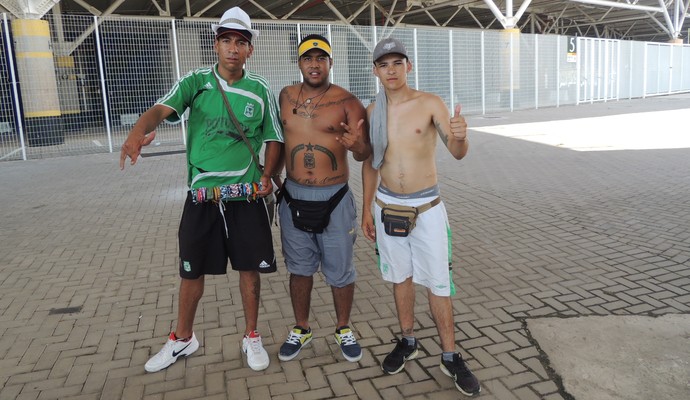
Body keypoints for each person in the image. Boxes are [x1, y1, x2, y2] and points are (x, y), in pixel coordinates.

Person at [119, 7, 283, 373]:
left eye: (240, 42)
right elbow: (161, 109)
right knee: (190, 272)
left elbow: (274, 138)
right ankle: (182, 338)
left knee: (249, 269)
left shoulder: (259, 89)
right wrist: (136, 131)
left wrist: (268, 175)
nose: (232, 49)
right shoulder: (195, 82)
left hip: (246, 197)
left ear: (250, 50)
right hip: (202, 198)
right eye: (226, 41)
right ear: (216, 45)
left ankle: (252, 336)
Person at [360, 37, 481, 396]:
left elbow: (457, 152)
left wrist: (461, 136)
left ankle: (450, 355)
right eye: (384, 64)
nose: (391, 70)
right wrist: (366, 207)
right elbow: (370, 163)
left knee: (439, 285)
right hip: (386, 208)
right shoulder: (372, 111)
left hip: (426, 210)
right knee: (400, 279)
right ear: (376, 71)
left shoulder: (429, 103)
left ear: (408, 66)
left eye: (398, 62)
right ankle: (408, 341)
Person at [276, 34, 371, 363]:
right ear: (299, 63)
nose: (314, 64)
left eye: (320, 58)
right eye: (307, 58)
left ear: (331, 62)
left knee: (341, 270)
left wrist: (355, 145)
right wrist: (269, 177)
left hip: (335, 197)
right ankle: (301, 328)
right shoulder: (285, 96)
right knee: (299, 269)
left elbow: (365, 153)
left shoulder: (348, 101)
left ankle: (343, 327)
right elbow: (278, 140)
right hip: (293, 196)